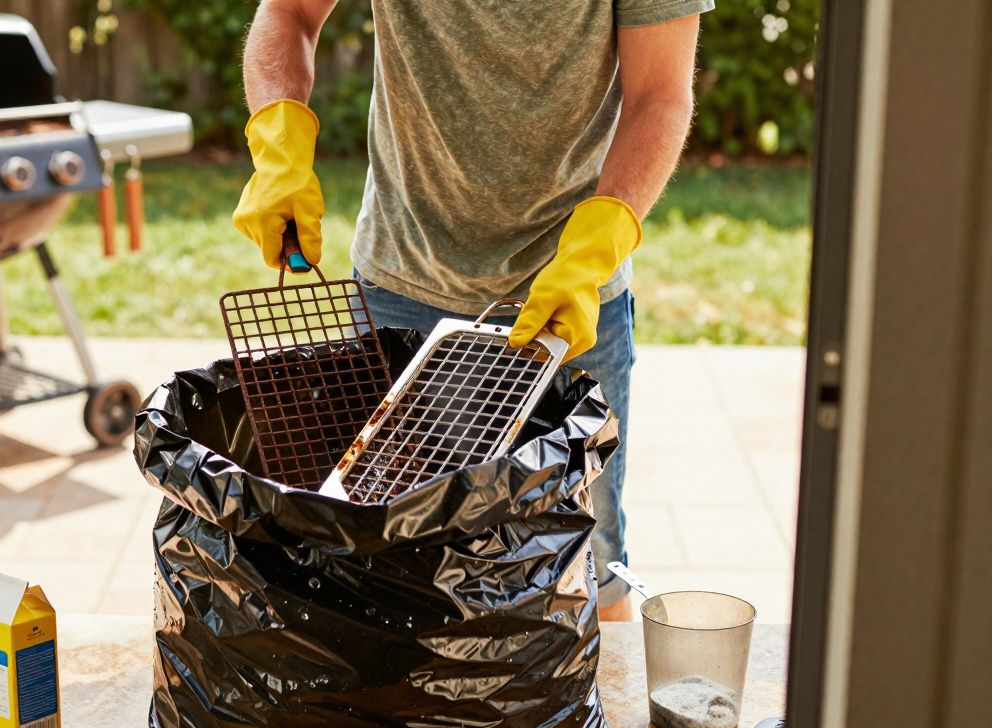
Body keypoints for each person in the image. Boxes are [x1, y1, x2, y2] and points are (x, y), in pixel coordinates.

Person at [232, 0, 712, 621]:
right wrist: (278, 140)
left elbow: (660, 96)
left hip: (569, 302)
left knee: (586, 562)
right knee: (392, 568)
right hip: (398, 288)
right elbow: (290, 11)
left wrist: (601, 242)